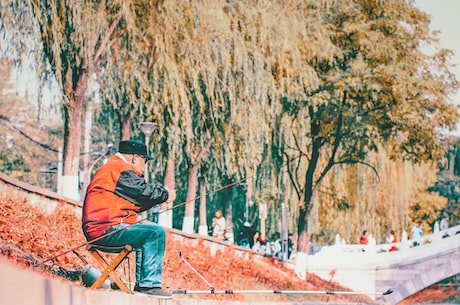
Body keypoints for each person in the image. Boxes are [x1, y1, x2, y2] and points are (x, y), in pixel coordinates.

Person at [82, 140, 176, 298]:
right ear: (135, 158)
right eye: (144, 161)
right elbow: (142, 191)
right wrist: (165, 194)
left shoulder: (113, 168)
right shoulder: (119, 169)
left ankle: (144, 284)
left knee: (147, 234)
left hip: (102, 228)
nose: (144, 167)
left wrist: (161, 199)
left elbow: (137, 200)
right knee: (155, 232)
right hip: (105, 230)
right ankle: (149, 285)